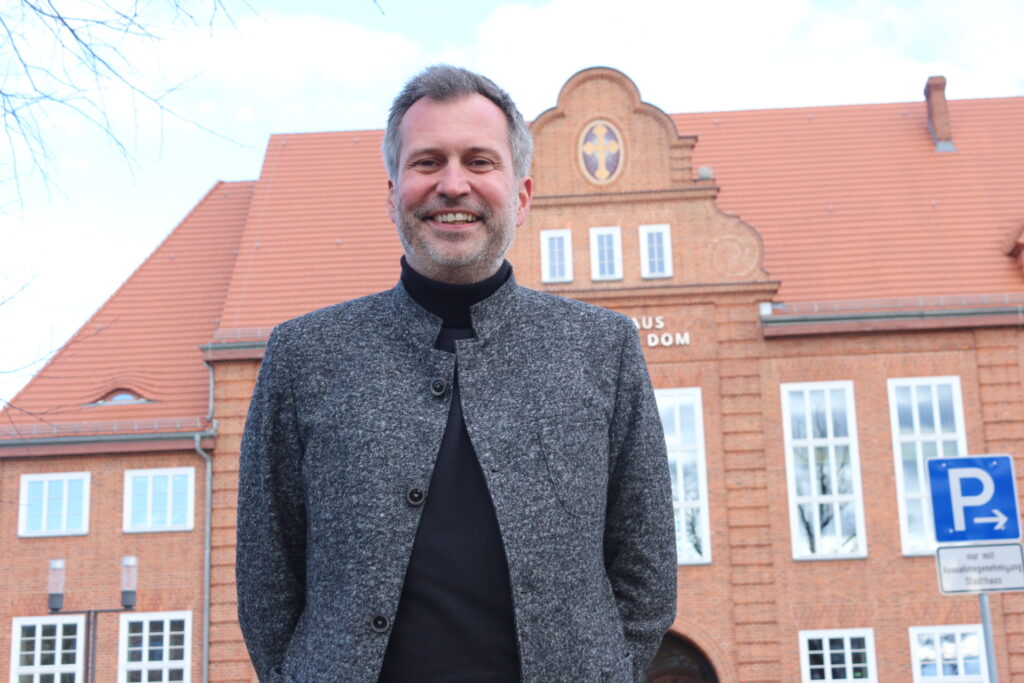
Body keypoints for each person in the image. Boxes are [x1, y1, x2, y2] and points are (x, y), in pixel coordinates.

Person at [236, 64, 676, 683]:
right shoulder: (305, 355)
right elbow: (266, 577)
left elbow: (647, 572)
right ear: (391, 192)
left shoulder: (602, 348)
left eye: (479, 161)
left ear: (520, 196)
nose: (452, 184)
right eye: (426, 162)